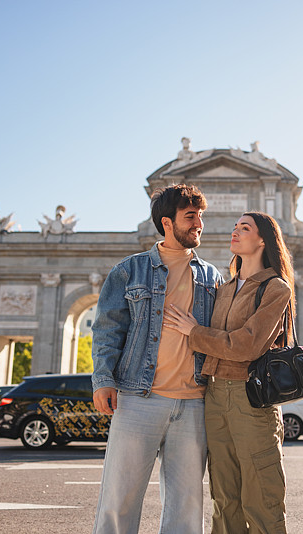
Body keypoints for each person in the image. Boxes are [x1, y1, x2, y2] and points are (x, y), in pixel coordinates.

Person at [91, 183, 224, 534]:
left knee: (187, 504)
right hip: (138, 398)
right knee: (119, 499)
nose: (199, 224)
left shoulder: (212, 277)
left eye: (201, 217)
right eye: (191, 216)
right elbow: (108, 328)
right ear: (168, 222)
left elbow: (221, 336)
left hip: (194, 402)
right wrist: (103, 379)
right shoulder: (128, 271)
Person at [164, 211, 294, 534]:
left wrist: (196, 333)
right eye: (235, 227)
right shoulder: (223, 288)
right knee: (224, 501)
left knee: (262, 499)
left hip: (250, 399)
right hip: (215, 397)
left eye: (244, 228)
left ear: (263, 239)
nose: (235, 232)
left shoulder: (276, 289)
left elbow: (246, 346)